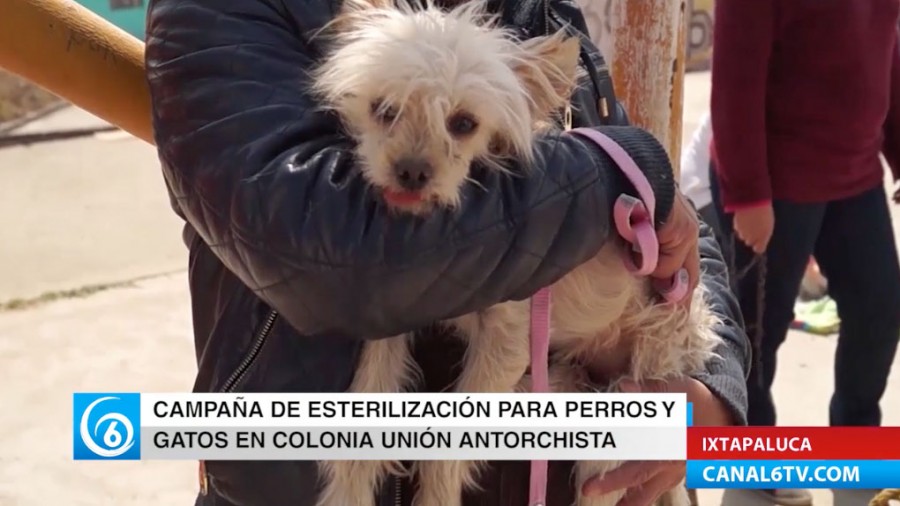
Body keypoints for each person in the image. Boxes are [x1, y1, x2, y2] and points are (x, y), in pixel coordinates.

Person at [144, 0, 751, 504]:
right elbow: (321, 257)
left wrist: (710, 391)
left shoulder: (539, 17)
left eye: (460, 126)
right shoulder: (235, 11)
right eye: (385, 112)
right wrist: (619, 167)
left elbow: (668, 225)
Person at [711, 0, 900, 503]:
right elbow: (734, 78)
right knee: (758, 333)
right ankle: (756, 460)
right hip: (775, 181)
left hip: (855, 177)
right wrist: (749, 192)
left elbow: (888, 53)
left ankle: (856, 448)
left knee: (879, 313)